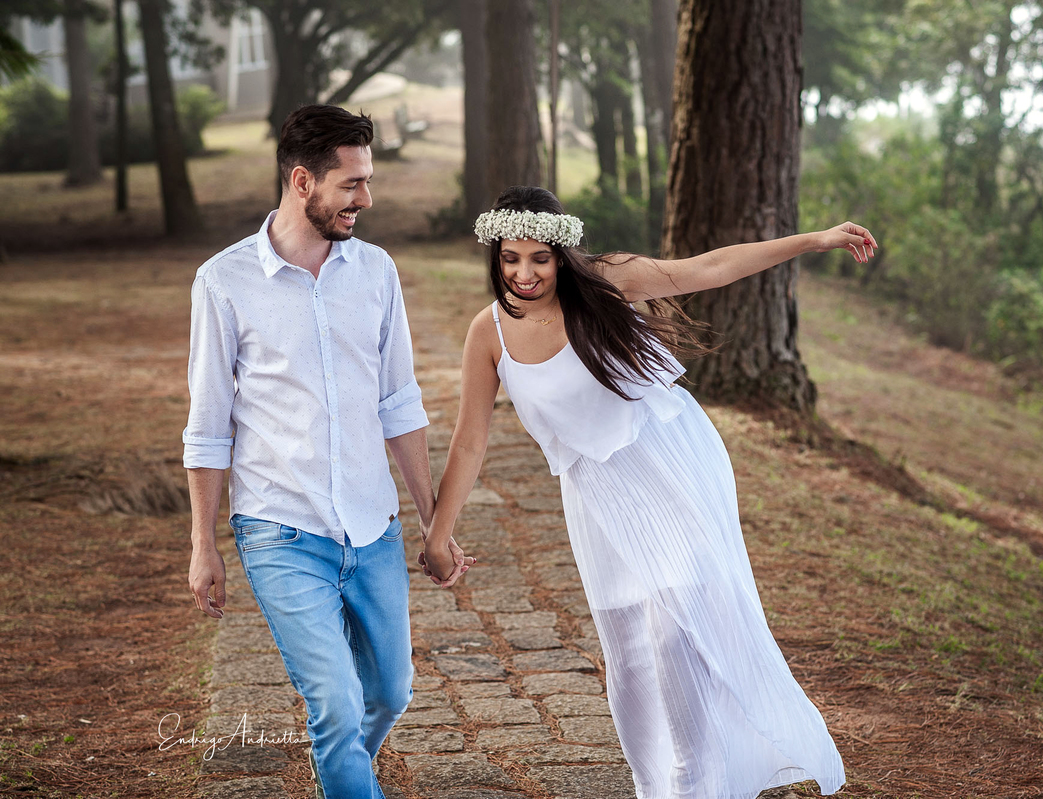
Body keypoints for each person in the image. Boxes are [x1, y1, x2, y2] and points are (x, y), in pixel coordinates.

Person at [424, 185, 874, 798]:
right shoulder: (490, 333)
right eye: (510, 258)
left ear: (562, 254)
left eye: (539, 259)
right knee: (633, 653)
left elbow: (711, 267)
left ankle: (695, 783)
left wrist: (815, 240)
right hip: (598, 495)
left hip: (670, 462)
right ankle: (657, 785)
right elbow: (469, 442)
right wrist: (439, 534)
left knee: (676, 631)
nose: (524, 274)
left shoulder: (609, 281)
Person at [183, 104, 472, 799]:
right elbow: (208, 424)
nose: (366, 199)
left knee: (391, 693)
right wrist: (201, 542)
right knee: (336, 707)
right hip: (280, 529)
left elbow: (399, 403)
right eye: (352, 184)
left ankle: (345, 775)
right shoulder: (223, 282)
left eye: (368, 181)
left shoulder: (375, 271)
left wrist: (434, 523)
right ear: (302, 181)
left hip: (373, 527)